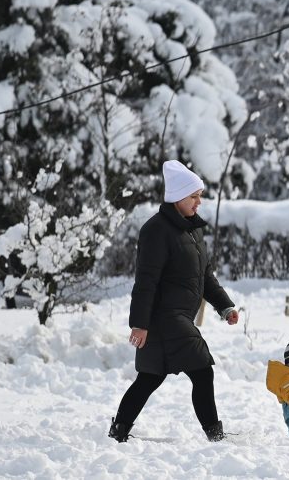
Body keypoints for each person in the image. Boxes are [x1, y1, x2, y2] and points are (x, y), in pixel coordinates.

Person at [108, 160, 240, 443]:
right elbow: (146, 281)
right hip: (164, 318)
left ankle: (118, 430)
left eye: (199, 196)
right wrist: (139, 324)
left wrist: (225, 306)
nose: (199, 202)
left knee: (150, 377)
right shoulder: (156, 230)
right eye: (194, 196)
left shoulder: (193, 230)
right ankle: (215, 435)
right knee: (202, 370)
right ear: (178, 196)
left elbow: (205, 275)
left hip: (176, 318)